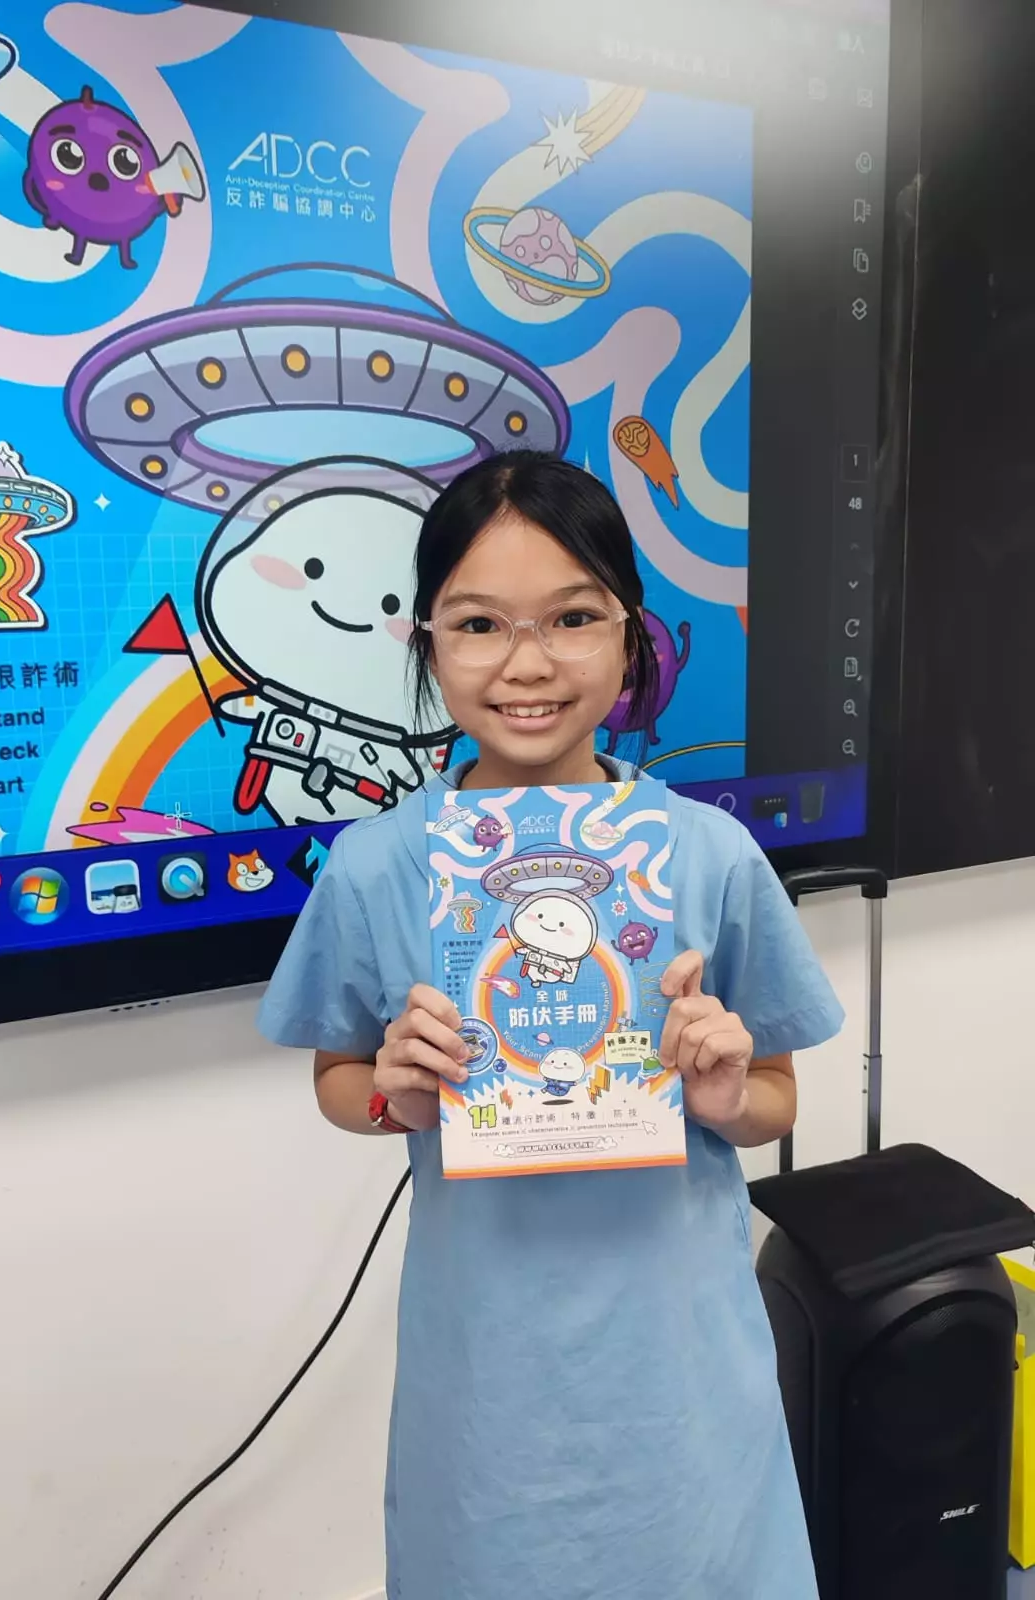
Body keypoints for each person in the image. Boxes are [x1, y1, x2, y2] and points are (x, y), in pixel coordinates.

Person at [257, 452, 843, 1599]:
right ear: (428, 643)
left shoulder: (707, 854)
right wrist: (394, 1095)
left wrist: (728, 1097)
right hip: (488, 1384)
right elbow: (339, 1077)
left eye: (573, 617)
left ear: (630, 637)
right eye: (480, 623)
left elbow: (774, 1095)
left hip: (681, 1374)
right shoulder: (379, 864)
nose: (527, 664)